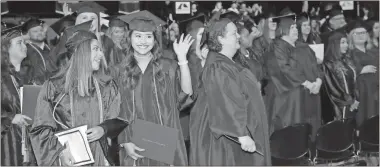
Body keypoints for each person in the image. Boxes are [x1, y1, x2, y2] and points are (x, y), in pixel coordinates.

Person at [112, 11, 194, 166]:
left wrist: (182, 60)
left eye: (149, 36)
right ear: (129, 38)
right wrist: (124, 141)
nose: (143, 41)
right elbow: (116, 110)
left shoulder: (167, 66)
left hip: (165, 142)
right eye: (138, 36)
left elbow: (186, 94)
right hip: (133, 143)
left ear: (155, 40)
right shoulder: (119, 71)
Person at [29, 30, 121, 166]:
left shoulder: (107, 85)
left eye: (100, 50)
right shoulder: (54, 87)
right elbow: (41, 129)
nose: (101, 55)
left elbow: (119, 118)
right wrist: (60, 152)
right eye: (96, 49)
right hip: (68, 159)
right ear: (81, 52)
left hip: (101, 159)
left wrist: (104, 129)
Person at [189, 17, 271, 166]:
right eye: (234, 33)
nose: (239, 36)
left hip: (239, 131)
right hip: (229, 138)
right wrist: (241, 134)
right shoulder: (217, 67)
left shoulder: (227, 62)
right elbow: (225, 100)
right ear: (220, 38)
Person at [264, 14, 323, 139]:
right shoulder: (276, 47)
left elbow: (316, 65)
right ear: (283, 30)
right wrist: (306, 83)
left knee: (311, 128)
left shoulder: (304, 47)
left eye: (296, 27)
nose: (296, 30)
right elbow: (283, 69)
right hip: (288, 98)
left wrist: (318, 81)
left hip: (310, 94)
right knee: (292, 132)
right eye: (291, 28)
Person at [1, 28, 33, 166]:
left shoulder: (26, 76)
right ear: (5, 48)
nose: (25, 46)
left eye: (24, 42)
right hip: (7, 142)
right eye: (19, 42)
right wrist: (10, 118)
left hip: (26, 140)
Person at [346, 20, 379, 127]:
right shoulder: (349, 54)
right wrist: (360, 70)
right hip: (362, 90)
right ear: (351, 36)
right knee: (365, 118)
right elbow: (345, 71)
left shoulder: (375, 51)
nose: (361, 35)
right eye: (357, 33)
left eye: (363, 33)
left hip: (376, 89)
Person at [323, 32, 358, 120]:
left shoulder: (347, 60)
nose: (346, 45)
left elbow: (354, 82)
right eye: (342, 43)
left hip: (353, 103)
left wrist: (356, 99)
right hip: (339, 105)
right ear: (335, 44)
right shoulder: (328, 64)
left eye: (346, 42)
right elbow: (333, 88)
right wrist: (349, 101)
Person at [22, 18, 56, 85]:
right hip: (35, 89)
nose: (39, 33)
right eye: (35, 31)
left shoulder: (52, 49)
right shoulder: (24, 51)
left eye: (41, 30)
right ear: (27, 34)